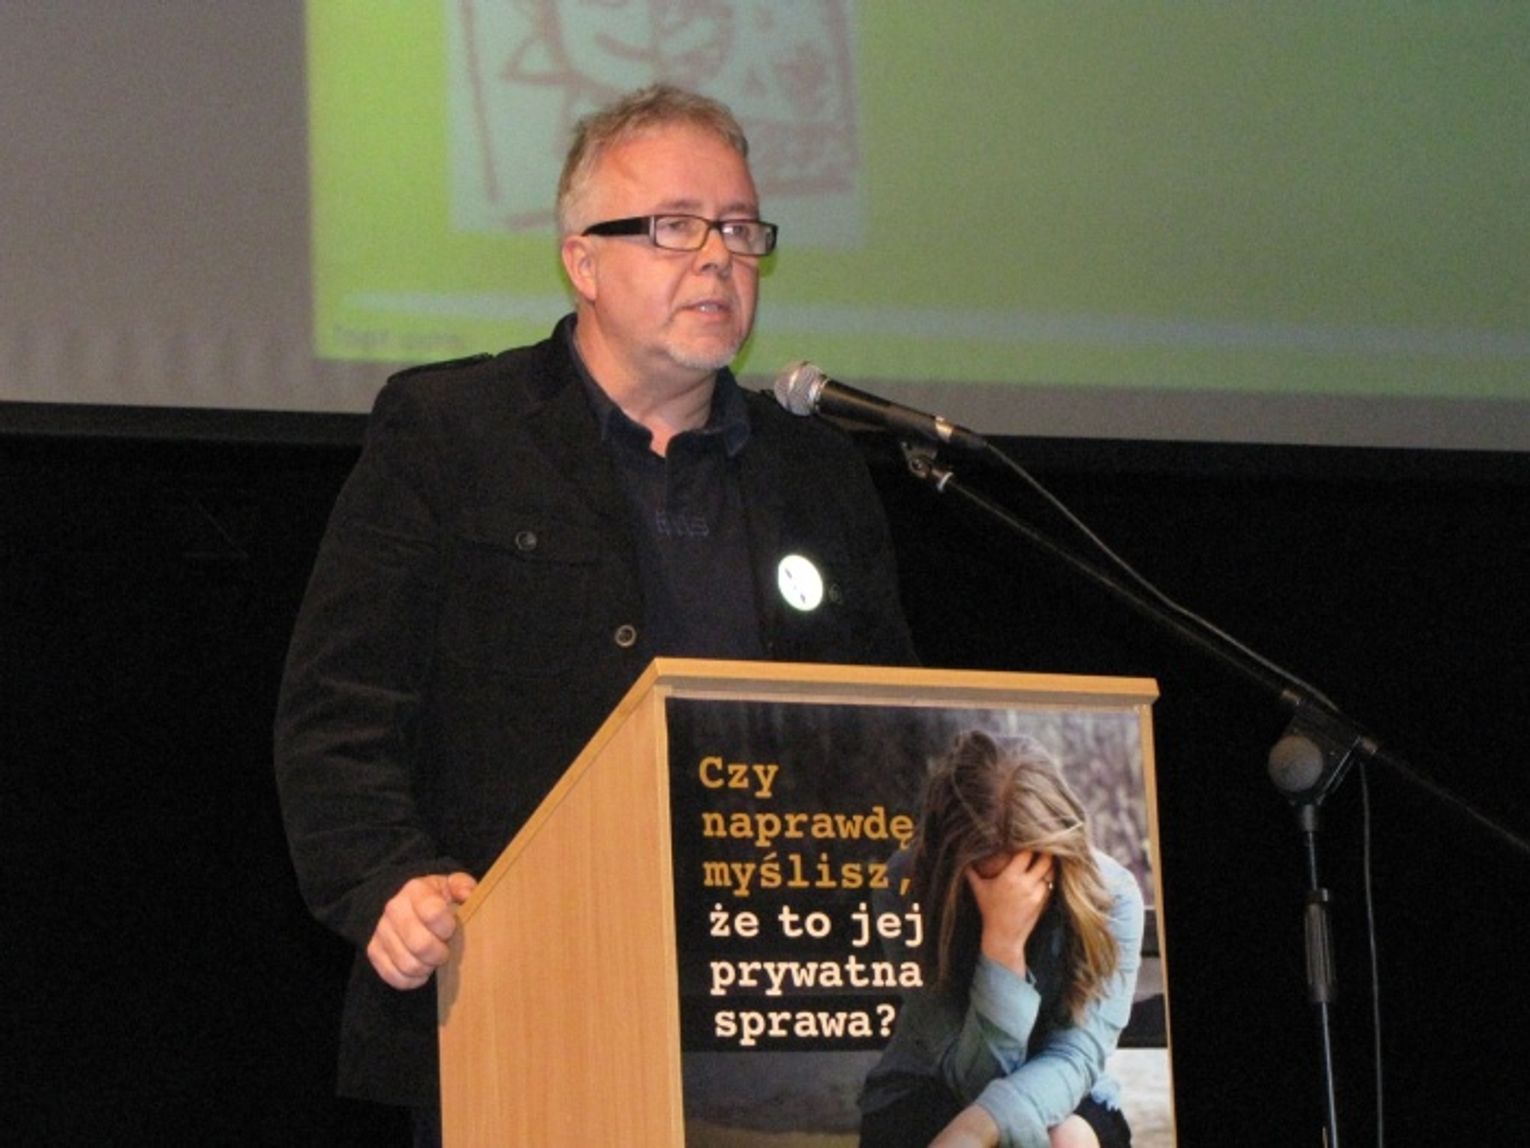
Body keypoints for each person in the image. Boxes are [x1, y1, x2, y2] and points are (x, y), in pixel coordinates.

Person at [273, 83, 917, 1135]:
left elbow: (890, 732)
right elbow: (338, 710)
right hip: (519, 1000)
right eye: (674, 227)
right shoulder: (455, 432)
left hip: (771, 1013)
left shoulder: (818, 470)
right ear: (582, 261)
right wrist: (386, 880)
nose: (718, 258)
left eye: (740, 229)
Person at [859, 731, 1144, 1148]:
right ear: (945, 863)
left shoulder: (1112, 895)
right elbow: (968, 1075)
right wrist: (1002, 945)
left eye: (1033, 878)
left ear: (1061, 853)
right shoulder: (905, 885)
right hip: (928, 1083)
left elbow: (1076, 1055)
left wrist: (976, 1127)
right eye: (984, 884)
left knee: (1069, 1140)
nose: (1015, 893)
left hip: (1065, 1086)